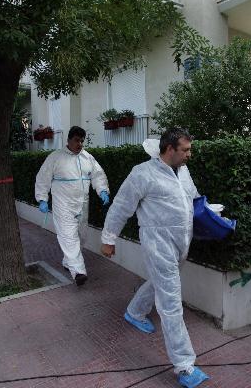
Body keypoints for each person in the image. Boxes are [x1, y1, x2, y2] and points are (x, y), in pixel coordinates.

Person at [100, 128, 210, 388]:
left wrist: (211, 215)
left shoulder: (182, 170)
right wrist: (108, 238)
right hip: (158, 244)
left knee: (161, 282)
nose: (189, 154)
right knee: (171, 303)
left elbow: (193, 198)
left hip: (181, 242)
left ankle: (135, 312)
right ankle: (184, 365)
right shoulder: (143, 173)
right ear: (170, 149)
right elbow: (121, 206)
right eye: (185, 150)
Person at [35, 126, 110, 286]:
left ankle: (68, 261)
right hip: (63, 205)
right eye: (76, 140)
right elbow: (43, 178)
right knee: (69, 237)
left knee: (81, 236)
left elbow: (98, 175)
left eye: (82, 141)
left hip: (82, 204)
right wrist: (42, 199)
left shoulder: (87, 158)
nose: (79, 144)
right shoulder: (55, 158)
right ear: (68, 140)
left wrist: (102, 190)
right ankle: (79, 272)